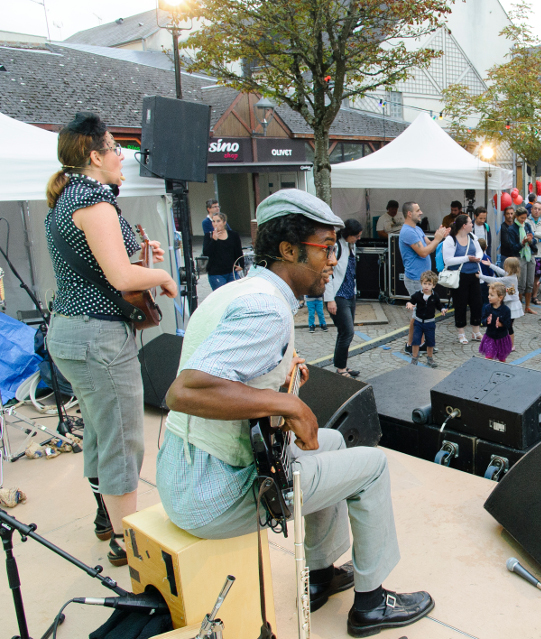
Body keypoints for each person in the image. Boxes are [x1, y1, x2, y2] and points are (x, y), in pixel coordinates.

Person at [159, 189, 434, 634]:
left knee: (335, 442)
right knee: (373, 465)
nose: (333, 260)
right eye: (326, 249)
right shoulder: (266, 308)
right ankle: (371, 603)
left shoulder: (241, 291)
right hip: (213, 493)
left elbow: (230, 375)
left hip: (189, 474)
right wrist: (287, 403)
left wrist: (280, 376)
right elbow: (186, 390)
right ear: (288, 250)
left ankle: (320, 574)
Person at [45, 112, 177, 565]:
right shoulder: (95, 204)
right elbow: (121, 278)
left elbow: (103, 264)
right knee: (122, 437)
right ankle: (128, 542)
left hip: (72, 333)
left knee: (102, 433)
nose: (123, 157)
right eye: (116, 149)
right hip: (97, 339)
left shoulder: (68, 199)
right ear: (95, 155)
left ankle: (106, 519)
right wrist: (161, 274)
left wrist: (143, 256)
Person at [400, 202, 449, 354]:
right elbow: (424, 252)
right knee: (418, 314)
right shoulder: (408, 232)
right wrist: (437, 239)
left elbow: (429, 244)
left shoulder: (417, 229)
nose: (421, 212)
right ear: (409, 213)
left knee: (421, 314)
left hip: (421, 279)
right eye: (417, 210)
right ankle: (411, 345)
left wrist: (439, 237)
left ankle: (417, 344)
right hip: (415, 279)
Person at [325, 218, 363, 375]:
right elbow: (328, 273)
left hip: (349, 294)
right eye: (356, 235)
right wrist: (330, 299)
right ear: (348, 234)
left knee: (345, 332)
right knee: (347, 331)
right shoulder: (336, 247)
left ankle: (342, 365)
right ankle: (341, 369)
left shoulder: (350, 246)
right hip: (338, 295)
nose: (358, 238)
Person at [442, 214, 484, 344]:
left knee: (477, 303)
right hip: (459, 276)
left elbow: (479, 251)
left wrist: (478, 257)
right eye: (470, 222)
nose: (472, 224)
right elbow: (447, 260)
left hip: (474, 274)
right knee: (460, 304)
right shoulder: (450, 240)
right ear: (464, 226)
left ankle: (476, 331)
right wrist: (467, 258)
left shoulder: (472, 237)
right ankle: (461, 332)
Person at [479, 257, 522, 351]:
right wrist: (490, 265)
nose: (504, 266)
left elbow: (494, 280)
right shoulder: (511, 275)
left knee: (508, 326)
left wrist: (481, 276)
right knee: (506, 326)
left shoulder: (509, 278)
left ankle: (511, 345)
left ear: (509, 267)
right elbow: (501, 271)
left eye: (505, 265)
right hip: (510, 304)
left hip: (512, 306)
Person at [405, 271, 446, 367]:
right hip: (418, 322)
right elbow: (410, 301)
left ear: (434, 285)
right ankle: (414, 358)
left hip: (430, 323)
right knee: (416, 340)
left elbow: (439, 304)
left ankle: (430, 358)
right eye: (424, 284)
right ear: (421, 284)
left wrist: (443, 309)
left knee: (430, 342)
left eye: (429, 284)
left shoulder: (435, 296)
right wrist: (409, 304)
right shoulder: (417, 295)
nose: (426, 286)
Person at [202, 211, 244, 291]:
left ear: (224, 222)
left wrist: (241, 264)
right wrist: (214, 240)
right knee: (221, 295)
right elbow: (206, 252)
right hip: (216, 273)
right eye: (213, 221)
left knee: (234, 294)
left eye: (218, 221)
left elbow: (238, 250)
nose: (215, 224)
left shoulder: (233, 235)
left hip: (231, 271)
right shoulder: (209, 236)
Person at [478, 282, 513, 362]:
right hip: (490, 337)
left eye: (492, 295)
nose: (489, 297)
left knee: (502, 359)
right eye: (489, 294)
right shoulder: (487, 308)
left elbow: (508, 324)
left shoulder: (506, 310)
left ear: (500, 298)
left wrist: (501, 324)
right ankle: (488, 370)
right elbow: (482, 321)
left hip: (502, 338)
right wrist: (486, 321)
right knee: (488, 357)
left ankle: (501, 370)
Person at [514, 208, 538, 314]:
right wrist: (522, 243)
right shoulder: (512, 228)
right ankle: (519, 306)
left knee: (529, 282)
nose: (523, 220)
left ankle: (527, 307)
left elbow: (535, 241)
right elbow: (512, 247)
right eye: (521, 218)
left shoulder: (527, 225)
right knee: (521, 284)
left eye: (525, 218)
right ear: (517, 216)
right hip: (520, 256)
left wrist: (531, 240)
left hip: (530, 255)